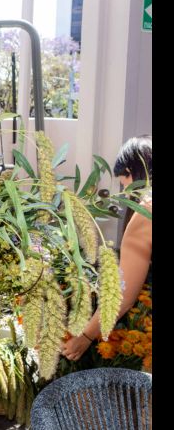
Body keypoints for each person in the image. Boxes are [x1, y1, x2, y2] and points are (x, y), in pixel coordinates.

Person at [61, 135, 152, 362]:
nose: (124, 189)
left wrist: (85, 336)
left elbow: (122, 295)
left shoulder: (145, 213)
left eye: (123, 180)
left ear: (132, 171)